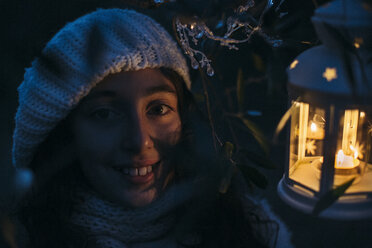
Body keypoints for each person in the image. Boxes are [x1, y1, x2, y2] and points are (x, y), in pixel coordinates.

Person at [12, 8, 278, 248]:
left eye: (159, 109)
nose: (140, 141)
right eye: (104, 114)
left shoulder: (246, 226)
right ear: (64, 133)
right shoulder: (21, 238)